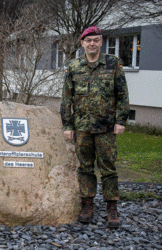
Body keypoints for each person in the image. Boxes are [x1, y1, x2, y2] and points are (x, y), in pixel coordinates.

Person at [60, 26, 130, 228]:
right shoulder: (73, 67)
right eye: (88, 40)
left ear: (101, 43)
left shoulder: (112, 64)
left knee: (108, 168)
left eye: (96, 40)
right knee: (85, 168)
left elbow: (122, 94)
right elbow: (66, 99)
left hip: (106, 127)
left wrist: (121, 120)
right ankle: (87, 204)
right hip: (82, 127)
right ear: (82, 43)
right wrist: (67, 124)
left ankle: (111, 207)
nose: (92, 44)